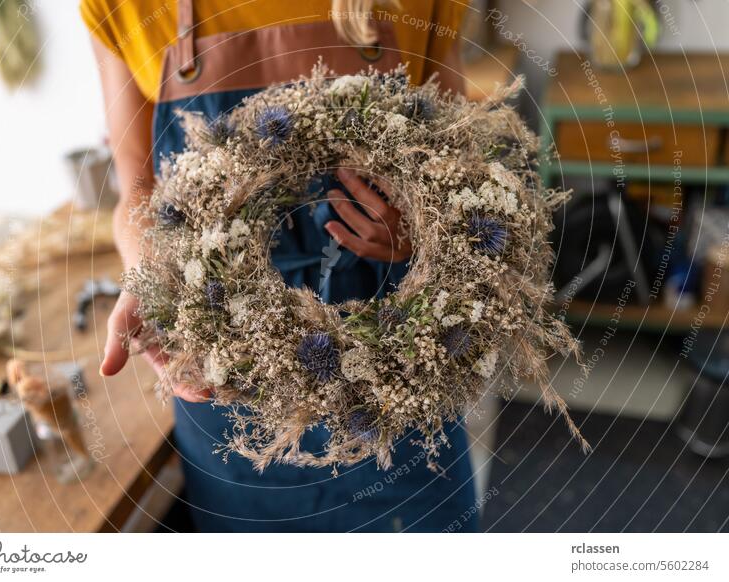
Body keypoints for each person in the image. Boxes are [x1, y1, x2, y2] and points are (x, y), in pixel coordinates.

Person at [82, 0, 478, 532]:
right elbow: (137, 184)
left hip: (395, 374)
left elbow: (459, 161)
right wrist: (150, 277)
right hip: (228, 373)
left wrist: (423, 224)